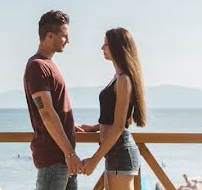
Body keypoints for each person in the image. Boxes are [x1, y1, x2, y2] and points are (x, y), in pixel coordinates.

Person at [78, 28, 147, 189]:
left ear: (117, 47)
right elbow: (114, 117)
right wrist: (94, 128)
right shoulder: (117, 78)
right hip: (115, 152)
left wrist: (94, 160)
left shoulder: (123, 80)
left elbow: (119, 126)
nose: (102, 48)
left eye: (106, 45)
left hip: (120, 152)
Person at [24, 10, 81, 190]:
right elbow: (47, 113)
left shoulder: (48, 65)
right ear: (49, 36)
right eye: (64, 36)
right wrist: (70, 154)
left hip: (63, 158)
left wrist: (71, 126)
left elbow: (54, 110)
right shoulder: (37, 67)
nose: (68, 41)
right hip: (55, 158)